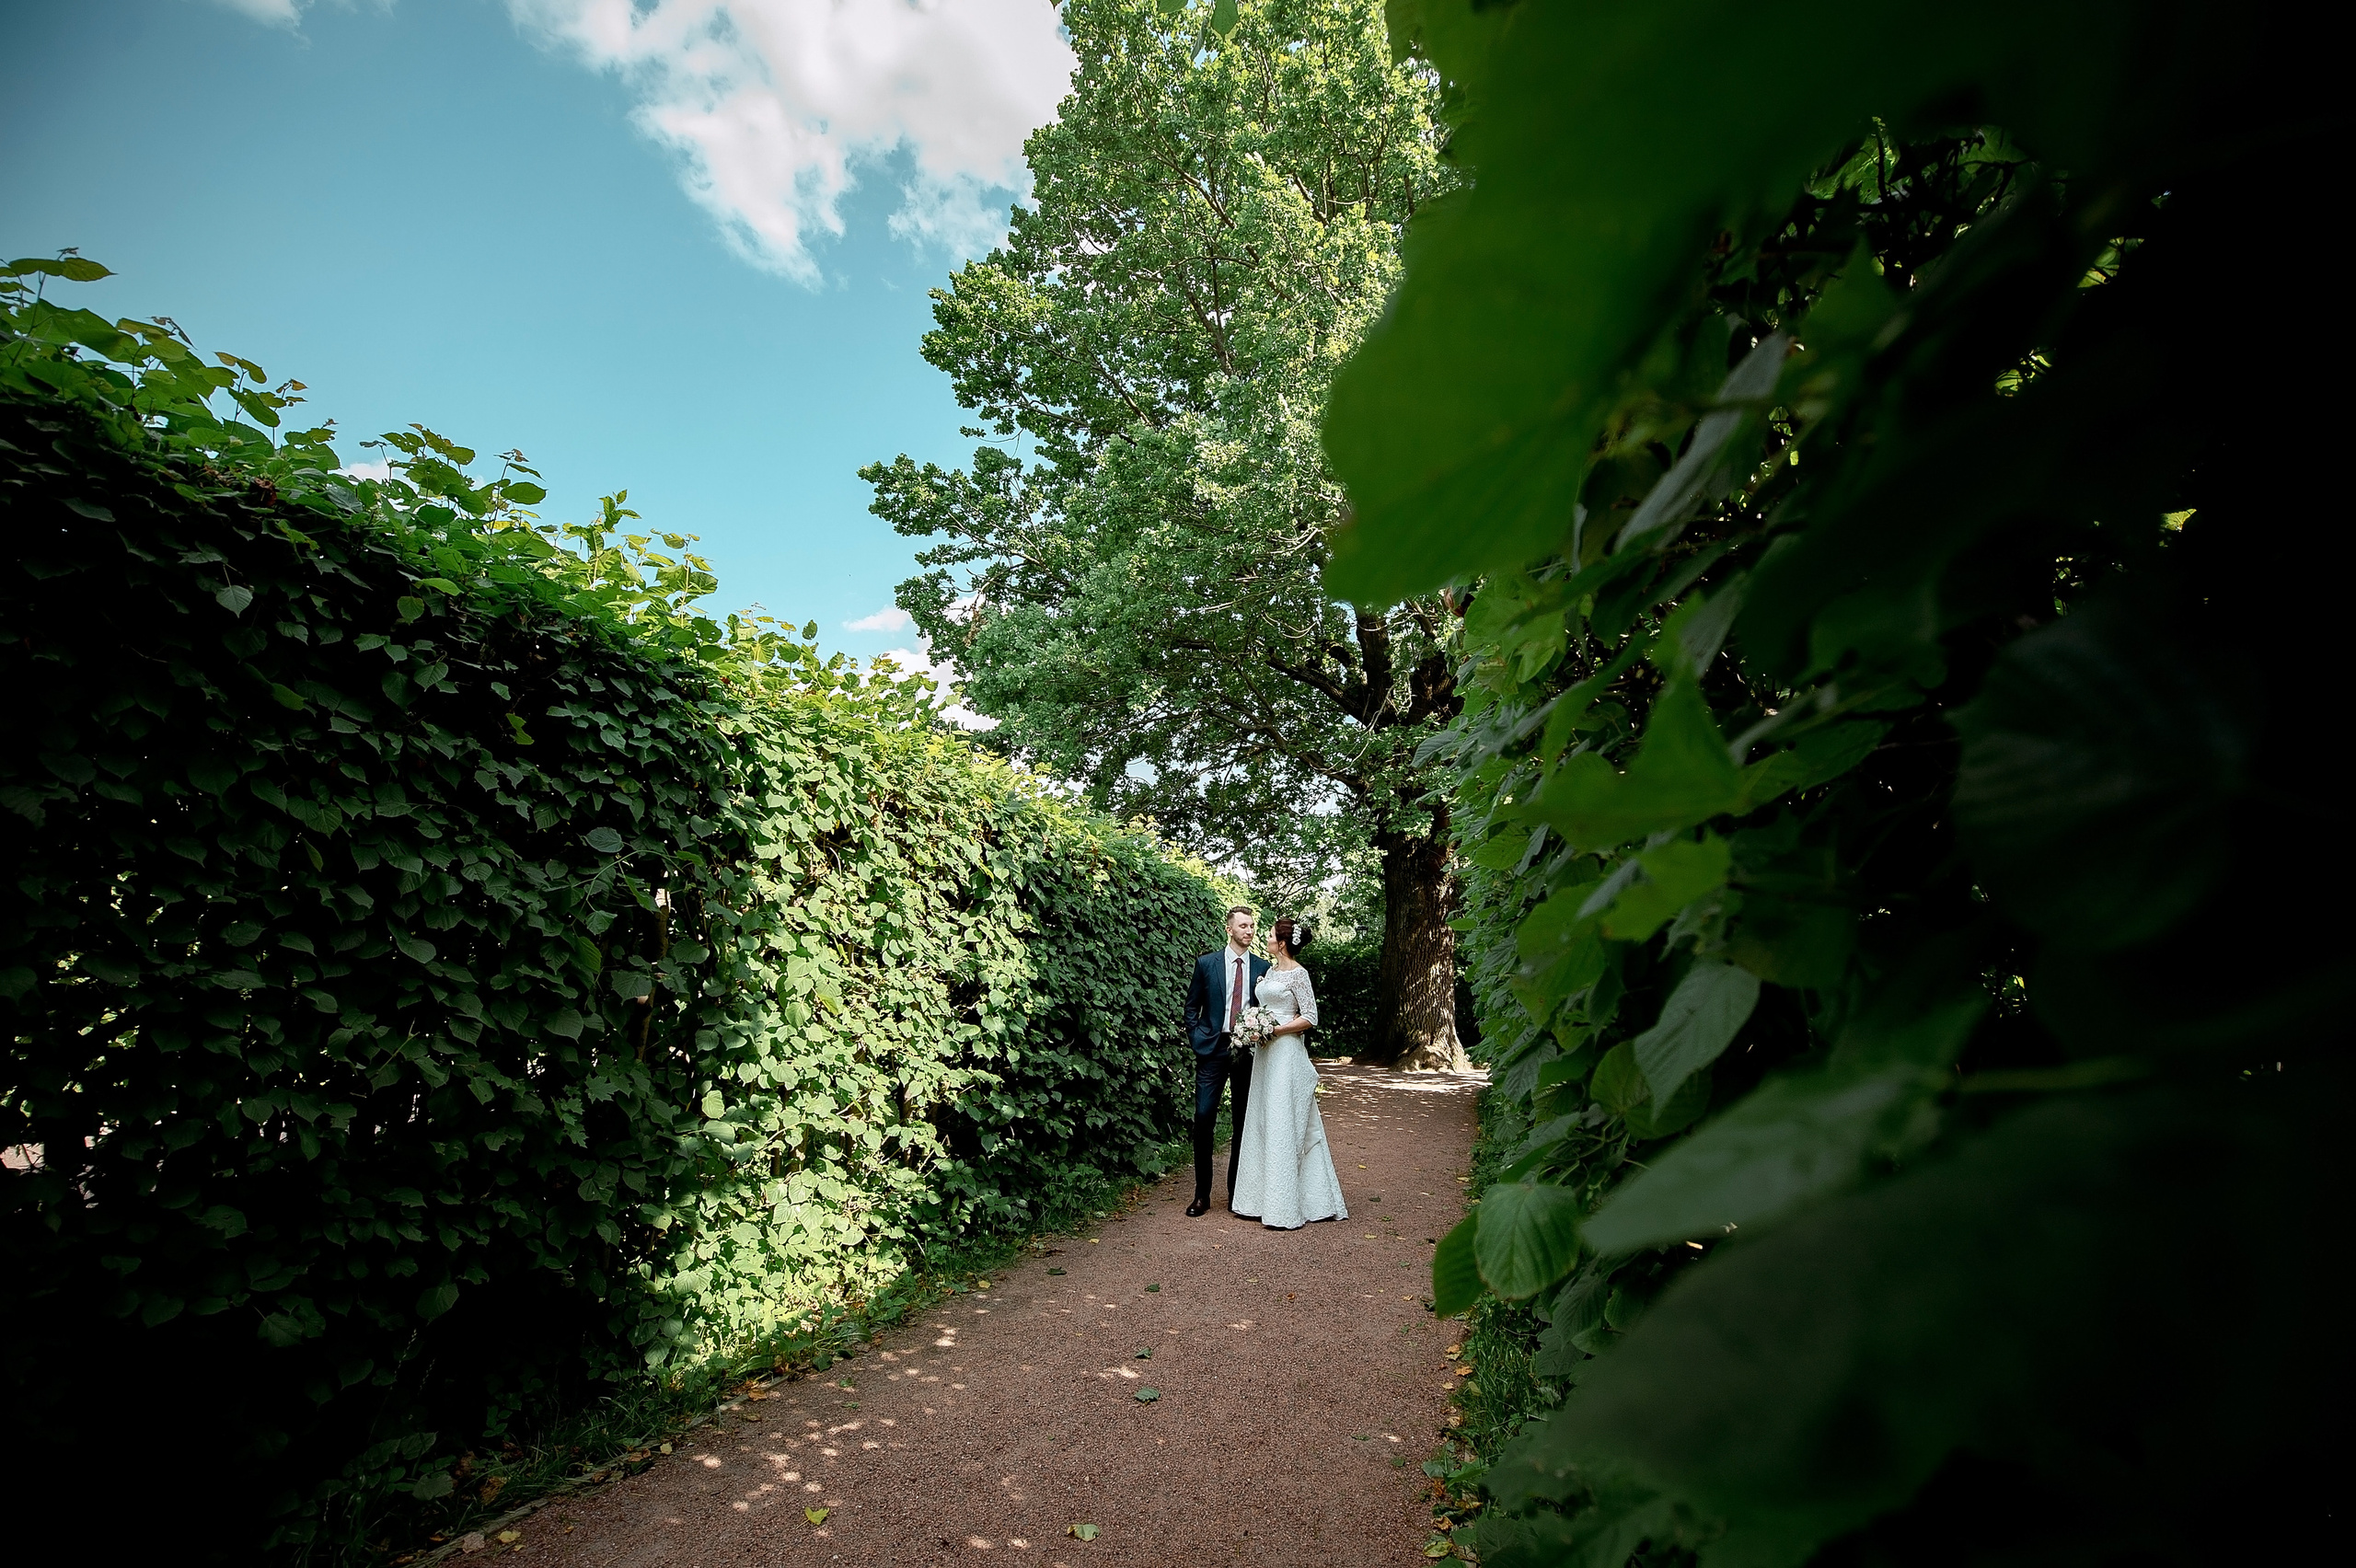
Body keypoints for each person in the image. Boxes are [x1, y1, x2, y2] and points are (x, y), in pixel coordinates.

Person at [1228, 917, 1347, 1229]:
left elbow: (1310, 1016)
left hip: (1285, 1053)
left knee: (1283, 1119)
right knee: (1263, 1119)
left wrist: (1275, 1030)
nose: (1266, 938)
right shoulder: (1270, 972)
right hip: (1265, 1055)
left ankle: (1285, 1204)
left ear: (1281, 943)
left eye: (1270, 935)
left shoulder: (1299, 974)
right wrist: (1255, 1026)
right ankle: (1256, 1201)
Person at [1181, 906, 1268, 1218]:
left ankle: (1236, 1194)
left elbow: (1267, 1009)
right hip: (1212, 1049)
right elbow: (1191, 1006)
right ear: (1229, 929)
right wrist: (1197, 1037)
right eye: (1243, 925)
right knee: (1203, 1117)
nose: (1249, 930)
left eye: (1252, 925)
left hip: (1247, 1052)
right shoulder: (1207, 963)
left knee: (1243, 1122)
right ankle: (1201, 1195)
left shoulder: (1262, 967)